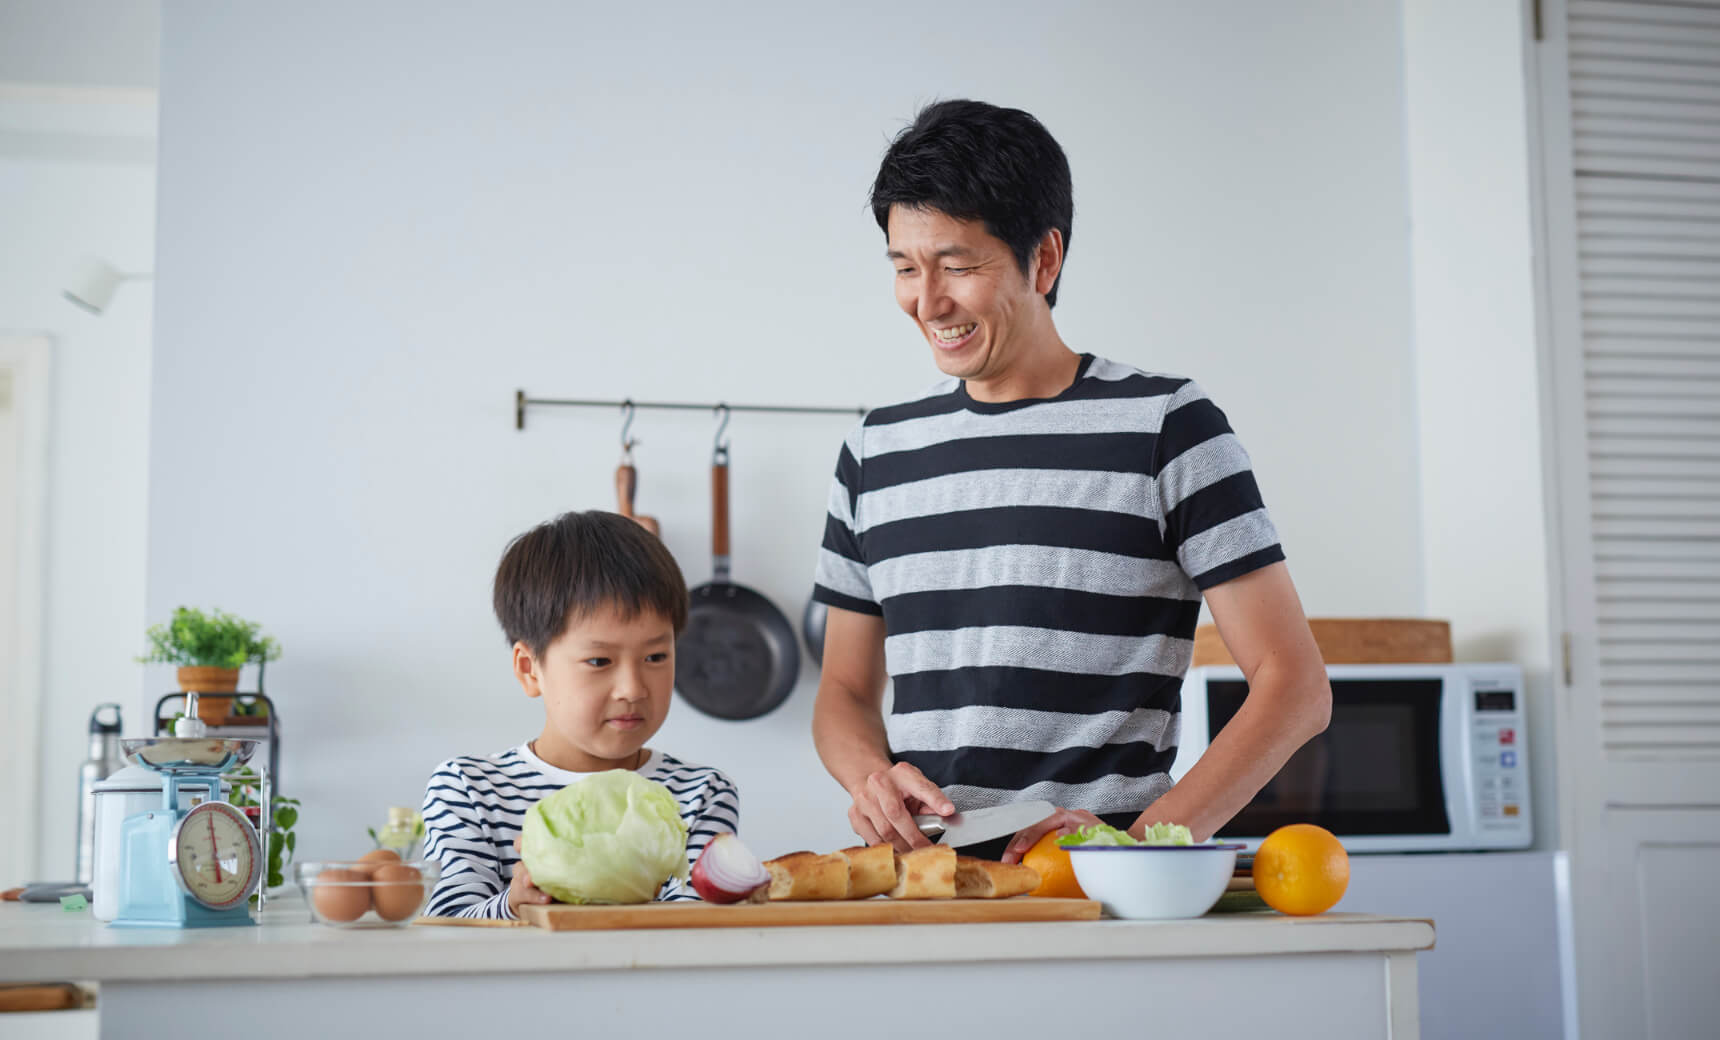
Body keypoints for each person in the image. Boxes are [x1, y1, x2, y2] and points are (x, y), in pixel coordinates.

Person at [810, 99, 1331, 863]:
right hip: (925, 893)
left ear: (1044, 260)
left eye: (958, 265)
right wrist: (871, 777)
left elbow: (1294, 687)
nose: (928, 302)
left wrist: (1134, 847)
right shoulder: (876, 448)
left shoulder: (1167, 427)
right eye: (904, 268)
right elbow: (844, 694)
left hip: (1099, 896)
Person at [422, 510, 740, 918]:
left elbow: (694, 926)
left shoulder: (702, 794)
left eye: (656, 656)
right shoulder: (469, 790)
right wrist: (516, 905)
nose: (633, 688)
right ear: (529, 668)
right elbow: (448, 923)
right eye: (599, 661)